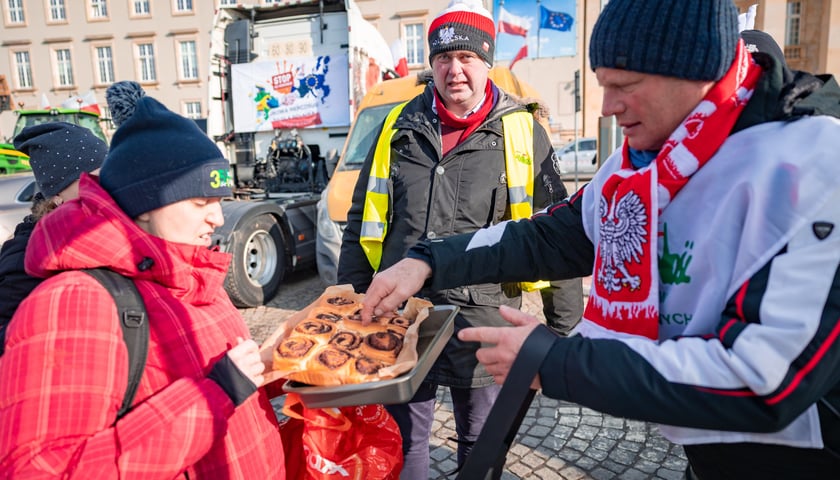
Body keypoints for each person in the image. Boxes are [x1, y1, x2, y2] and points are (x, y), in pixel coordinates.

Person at [359, 0, 840, 478]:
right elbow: (552, 235)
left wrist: (556, 361)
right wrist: (426, 261)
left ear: (697, 70)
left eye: (624, 87)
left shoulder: (816, 164)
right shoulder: (646, 161)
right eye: (603, 86)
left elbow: (764, 381)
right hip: (710, 457)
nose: (608, 108)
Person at [336, 0, 581, 476]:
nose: (454, 71)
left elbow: (556, 228)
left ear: (486, 62)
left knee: (481, 444)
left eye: (466, 57)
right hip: (402, 315)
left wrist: (562, 327)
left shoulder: (523, 132)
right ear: (432, 65)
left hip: (483, 316)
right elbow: (361, 219)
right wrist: (351, 300)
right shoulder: (396, 127)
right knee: (404, 441)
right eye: (443, 59)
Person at [0, 93, 286, 477]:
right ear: (146, 203)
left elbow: (234, 391)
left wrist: (286, 367)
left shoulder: (199, 278)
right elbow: (42, 470)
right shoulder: (74, 302)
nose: (218, 217)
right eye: (201, 202)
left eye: (220, 200)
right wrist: (213, 395)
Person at [0, 122, 107, 351]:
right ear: (58, 193)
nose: (106, 186)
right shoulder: (26, 258)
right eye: (93, 179)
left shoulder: (95, 232)